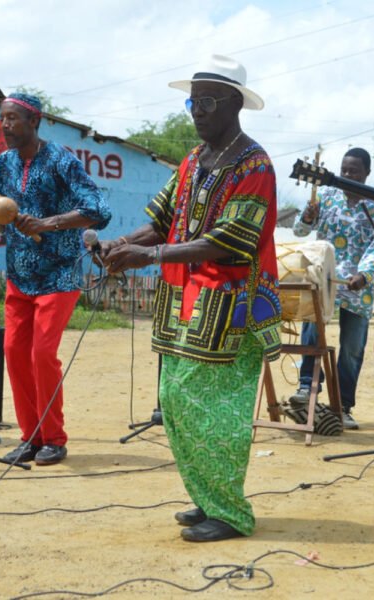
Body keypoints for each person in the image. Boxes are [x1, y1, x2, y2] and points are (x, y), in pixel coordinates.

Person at [100, 55, 282, 542]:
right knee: (175, 401)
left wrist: (150, 254)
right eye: (191, 101)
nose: (195, 111)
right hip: (183, 303)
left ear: (234, 104)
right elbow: (162, 220)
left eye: (206, 101)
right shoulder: (192, 162)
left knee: (216, 410)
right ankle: (207, 497)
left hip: (228, 307)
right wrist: (121, 244)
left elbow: (230, 241)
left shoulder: (254, 165)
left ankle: (230, 512)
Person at [0, 93, 111, 467]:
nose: (6, 126)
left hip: (59, 273)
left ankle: (54, 438)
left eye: (13, 119)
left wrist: (48, 223)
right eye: (2, 119)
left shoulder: (60, 159)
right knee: (14, 353)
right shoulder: (3, 163)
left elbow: (98, 210)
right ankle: (31, 437)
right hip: (19, 275)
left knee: (42, 354)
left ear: (34, 122)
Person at [291, 148, 374, 430]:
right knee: (312, 330)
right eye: (344, 170)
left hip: (358, 287)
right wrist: (309, 218)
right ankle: (305, 390)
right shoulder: (325, 196)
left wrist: (365, 274)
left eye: (354, 171)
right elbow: (299, 232)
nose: (348, 175)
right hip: (325, 280)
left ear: (367, 174)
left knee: (351, 349)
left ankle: (343, 406)